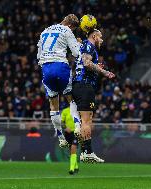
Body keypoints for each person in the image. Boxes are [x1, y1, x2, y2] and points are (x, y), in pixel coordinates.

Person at [37, 14, 81, 148]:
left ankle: (60, 137)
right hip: (60, 66)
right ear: (70, 25)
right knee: (70, 98)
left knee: (53, 104)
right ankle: (78, 127)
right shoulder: (67, 30)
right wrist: (78, 43)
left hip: (46, 68)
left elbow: (39, 56)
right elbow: (76, 53)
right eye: (73, 29)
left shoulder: (45, 31)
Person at [72, 29, 115, 163]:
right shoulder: (89, 45)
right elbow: (86, 63)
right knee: (86, 120)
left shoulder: (85, 45)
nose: (102, 40)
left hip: (79, 85)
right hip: (84, 86)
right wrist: (104, 71)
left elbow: (86, 62)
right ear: (94, 36)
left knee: (85, 120)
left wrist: (96, 66)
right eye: (100, 37)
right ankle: (87, 152)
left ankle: (85, 150)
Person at [61, 106, 79, 175]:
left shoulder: (79, 111)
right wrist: (65, 127)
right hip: (68, 133)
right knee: (71, 151)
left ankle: (71, 169)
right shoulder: (65, 111)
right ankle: (76, 166)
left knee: (73, 148)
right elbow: (61, 122)